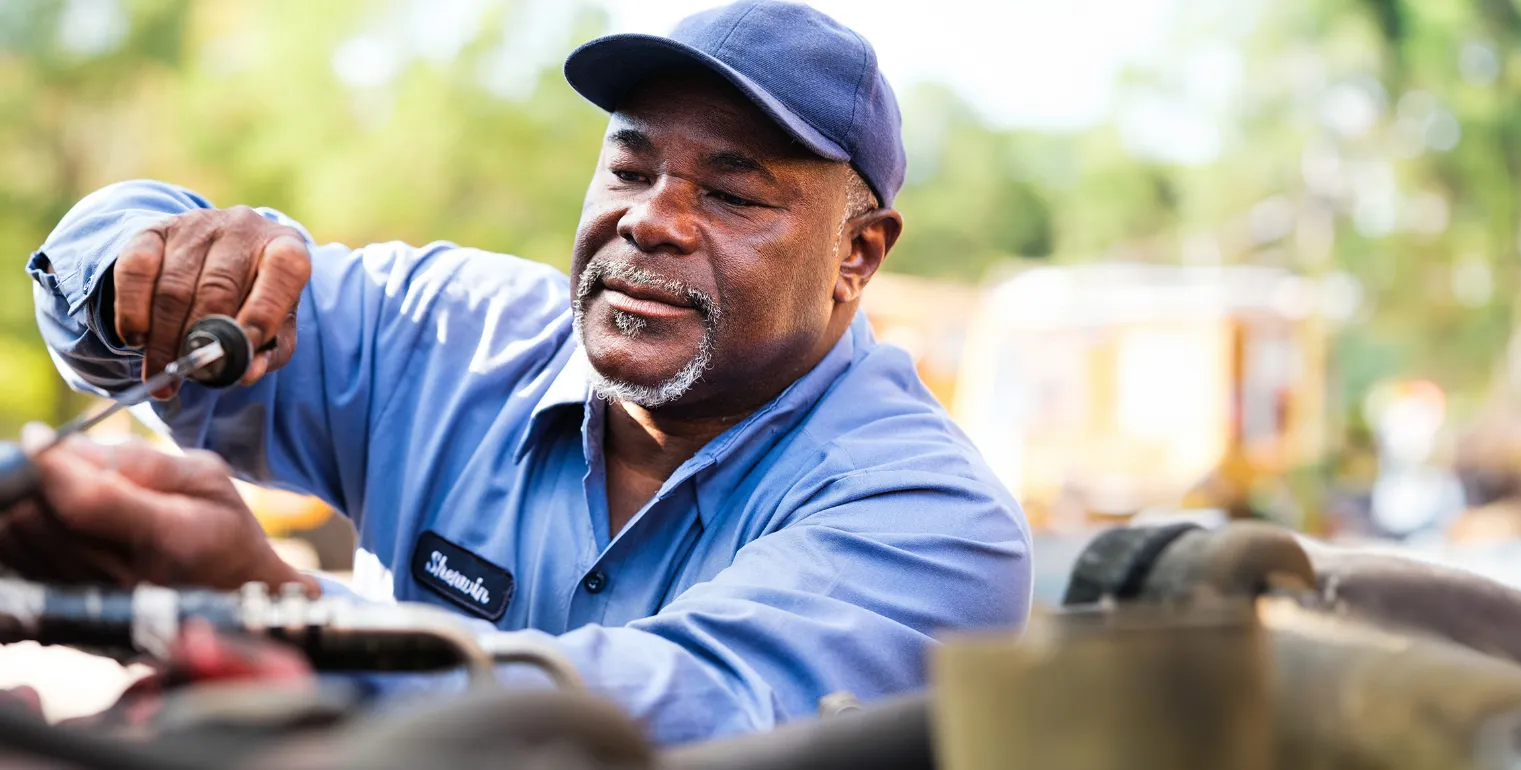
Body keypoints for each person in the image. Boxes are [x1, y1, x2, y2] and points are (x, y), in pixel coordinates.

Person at [11, 1, 1031, 745]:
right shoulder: (449, 334)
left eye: (730, 195)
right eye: (631, 169)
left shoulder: (932, 518)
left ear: (858, 253)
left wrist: (265, 598)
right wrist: (149, 265)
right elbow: (98, 295)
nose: (651, 219)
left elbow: (669, 716)